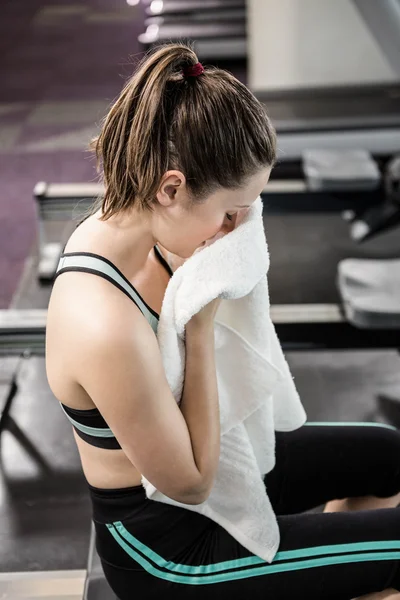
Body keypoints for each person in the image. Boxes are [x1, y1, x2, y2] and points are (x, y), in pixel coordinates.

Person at [45, 42, 400, 600]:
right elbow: (189, 484)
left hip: (208, 465)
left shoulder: (143, 219)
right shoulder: (102, 323)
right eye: (230, 213)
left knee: (387, 454)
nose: (237, 231)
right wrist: (201, 328)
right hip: (167, 551)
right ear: (171, 188)